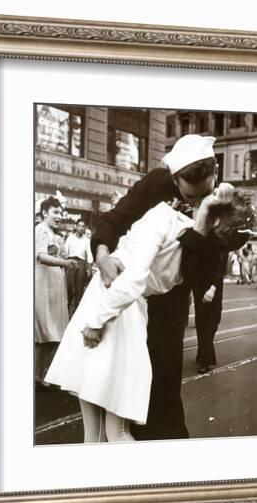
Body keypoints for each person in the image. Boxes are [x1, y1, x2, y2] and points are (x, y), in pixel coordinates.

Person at [45, 185, 254, 442]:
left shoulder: (167, 219)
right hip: (122, 309)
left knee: (108, 432)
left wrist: (96, 320)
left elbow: (132, 279)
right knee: (107, 431)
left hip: (112, 307)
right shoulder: (198, 247)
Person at [89, 134, 221, 440]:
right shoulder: (155, 184)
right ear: (175, 179)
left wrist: (201, 224)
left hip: (170, 304)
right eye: (191, 197)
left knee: (163, 386)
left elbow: (203, 267)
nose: (197, 203)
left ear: (215, 174)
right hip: (132, 302)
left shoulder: (217, 202)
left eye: (204, 194)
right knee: (123, 387)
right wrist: (102, 254)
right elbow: (115, 217)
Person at [184, 192, 254, 374]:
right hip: (203, 284)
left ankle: (202, 352)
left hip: (215, 285)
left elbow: (221, 262)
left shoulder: (223, 236)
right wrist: (208, 287)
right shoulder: (206, 235)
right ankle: (206, 359)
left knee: (215, 319)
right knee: (203, 321)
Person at [35, 197, 76, 389]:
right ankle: (38, 375)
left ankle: (42, 373)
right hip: (44, 285)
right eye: (55, 212)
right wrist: (64, 263)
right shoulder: (41, 229)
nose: (59, 216)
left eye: (61, 213)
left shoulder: (53, 233)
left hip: (53, 286)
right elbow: (41, 255)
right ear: (45, 213)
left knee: (53, 332)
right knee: (45, 331)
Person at [64, 219, 94, 316]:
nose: (81, 228)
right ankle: (65, 312)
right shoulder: (70, 238)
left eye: (83, 226)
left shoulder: (86, 240)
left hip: (81, 264)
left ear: (84, 228)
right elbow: (65, 251)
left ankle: (75, 315)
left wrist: (89, 268)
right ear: (76, 227)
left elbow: (89, 255)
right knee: (69, 288)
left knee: (79, 289)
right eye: (79, 226)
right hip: (70, 262)